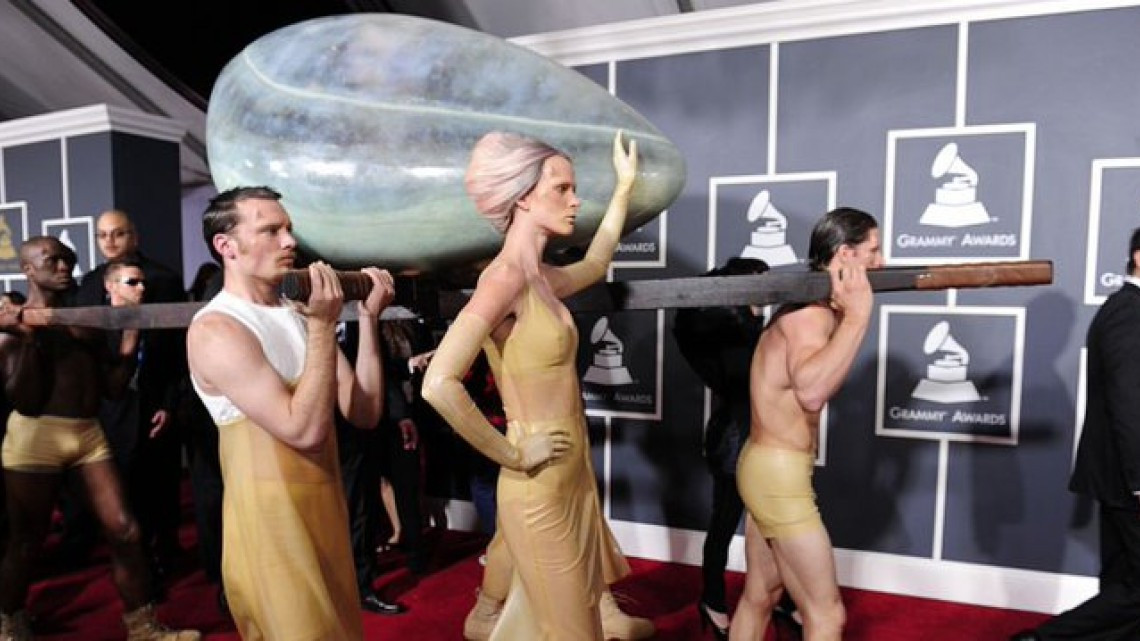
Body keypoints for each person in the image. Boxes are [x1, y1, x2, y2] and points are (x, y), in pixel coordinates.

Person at [422, 130, 653, 640]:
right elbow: (438, 385)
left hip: (571, 471)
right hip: (538, 481)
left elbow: (594, 264)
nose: (575, 201)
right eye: (562, 189)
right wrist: (513, 453)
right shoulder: (503, 279)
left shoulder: (543, 277)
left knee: (575, 623)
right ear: (523, 196)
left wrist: (624, 191)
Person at [185, 186, 396, 640]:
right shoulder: (217, 328)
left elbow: (363, 411)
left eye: (289, 229)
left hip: (325, 510)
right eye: (271, 230)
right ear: (227, 246)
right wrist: (322, 325)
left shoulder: (296, 314)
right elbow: (303, 431)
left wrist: (368, 319)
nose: (289, 242)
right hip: (271, 528)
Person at [0, 238, 200, 641]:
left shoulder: (85, 324)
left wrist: (129, 335)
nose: (63, 266)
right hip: (36, 435)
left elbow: (112, 388)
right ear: (27, 269)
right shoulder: (12, 327)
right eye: (51, 260)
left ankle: (144, 628)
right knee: (26, 540)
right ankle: (10, 622)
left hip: (87, 433)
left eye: (67, 260)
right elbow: (26, 400)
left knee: (126, 530)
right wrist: (30, 336)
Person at [729, 207, 881, 641]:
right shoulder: (810, 316)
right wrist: (857, 317)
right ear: (846, 254)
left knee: (761, 595)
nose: (882, 262)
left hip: (767, 467)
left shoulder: (806, 306)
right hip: (777, 477)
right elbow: (811, 391)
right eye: (874, 250)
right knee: (826, 615)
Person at [1010, 229, 1140, 641]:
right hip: (1129, 476)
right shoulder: (1129, 313)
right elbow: (1129, 403)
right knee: (1133, 587)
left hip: (1119, 474)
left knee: (1123, 578)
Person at [674, 257, 802, 640]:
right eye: (758, 284)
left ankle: (785, 599)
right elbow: (740, 374)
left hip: (763, 437)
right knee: (726, 524)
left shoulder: (747, 327)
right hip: (734, 440)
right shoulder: (726, 330)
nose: (765, 294)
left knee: (776, 526)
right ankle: (713, 602)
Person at [68, 208, 189, 577]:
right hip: (110, 402)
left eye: (118, 233)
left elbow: (178, 351)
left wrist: (170, 403)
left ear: (133, 235)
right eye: (102, 235)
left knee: (161, 481)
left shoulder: (165, 280)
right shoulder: (88, 285)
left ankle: (167, 551)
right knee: (118, 484)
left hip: (156, 397)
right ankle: (127, 556)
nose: (110, 242)